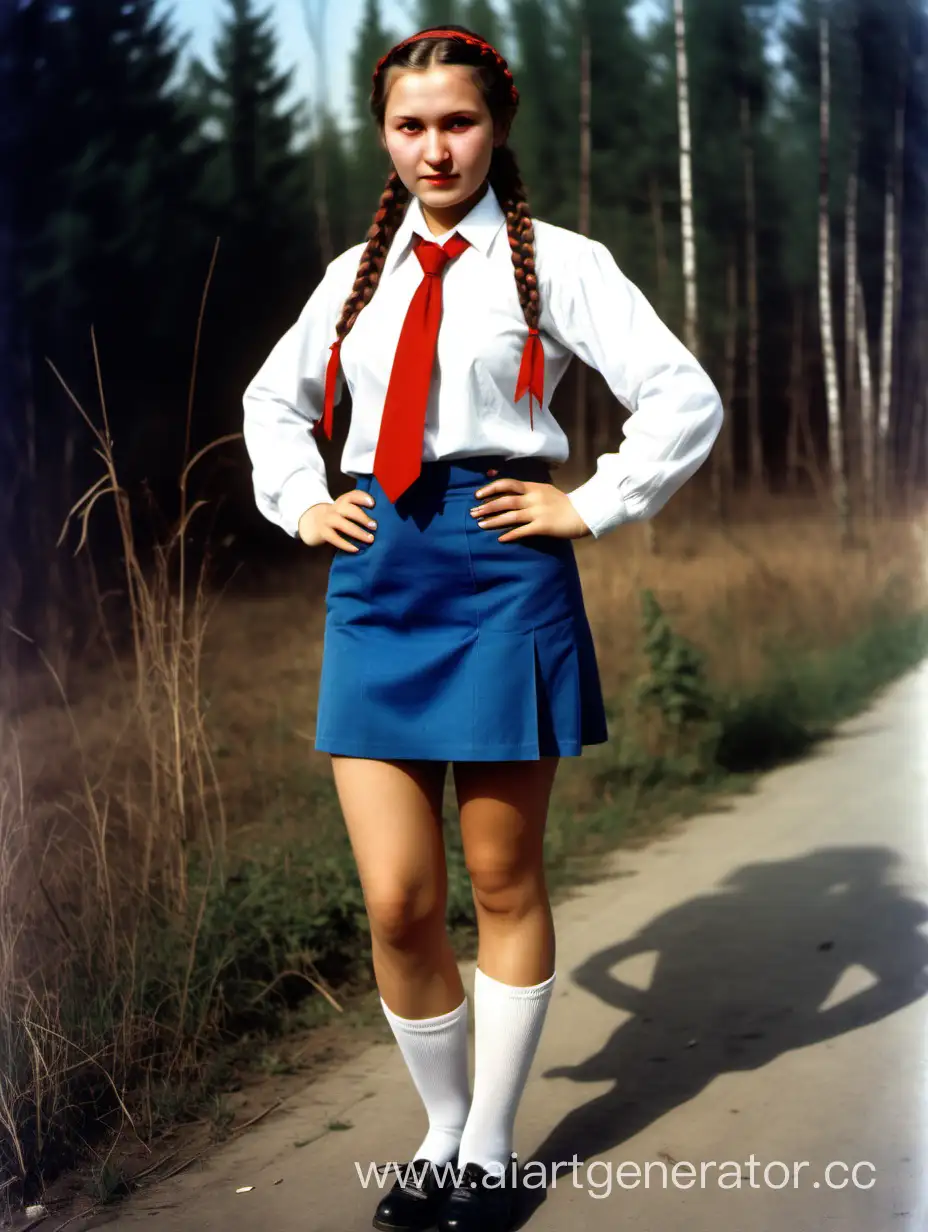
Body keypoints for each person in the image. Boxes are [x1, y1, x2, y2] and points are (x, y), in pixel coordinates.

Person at [242, 23, 722, 1232]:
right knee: (399, 898)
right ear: (385, 137)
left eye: (455, 122)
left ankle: (491, 1149)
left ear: (496, 127)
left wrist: (593, 500)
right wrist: (302, 500)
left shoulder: (557, 262)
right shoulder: (359, 273)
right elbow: (272, 399)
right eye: (410, 126)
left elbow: (680, 395)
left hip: (504, 566)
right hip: (376, 576)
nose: (433, 147)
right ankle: (441, 1130)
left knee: (501, 875)